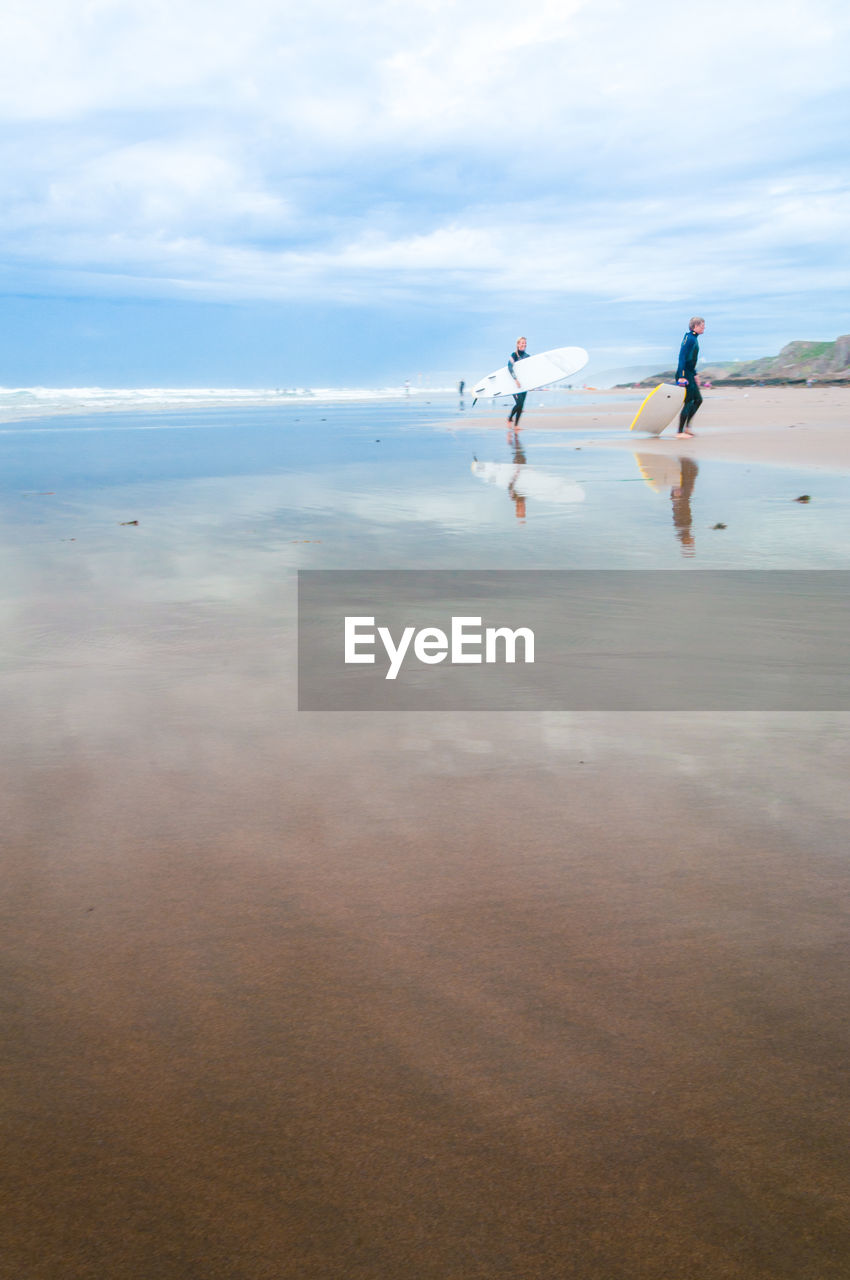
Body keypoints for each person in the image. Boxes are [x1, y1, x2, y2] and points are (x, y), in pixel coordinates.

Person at [675, 317, 705, 437]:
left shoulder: (694, 338)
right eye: (702, 326)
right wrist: (682, 376)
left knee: (698, 400)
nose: (704, 328)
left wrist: (695, 374)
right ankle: (679, 432)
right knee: (688, 401)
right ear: (695, 326)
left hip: (690, 373)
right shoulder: (689, 338)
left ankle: (687, 428)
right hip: (685, 374)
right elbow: (682, 357)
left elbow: (691, 359)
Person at [507, 336, 530, 425]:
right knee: (519, 403)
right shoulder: (514, 355)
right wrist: (515, 380)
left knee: (521, 405)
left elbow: (530, 371)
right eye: (522, 342)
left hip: (524, 384)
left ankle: (516, 425)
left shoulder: (528, 356)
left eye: (525, 343)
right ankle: (510, 418)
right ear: (518, 344)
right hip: (514, 384)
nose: (524, 344)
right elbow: (509, 367)